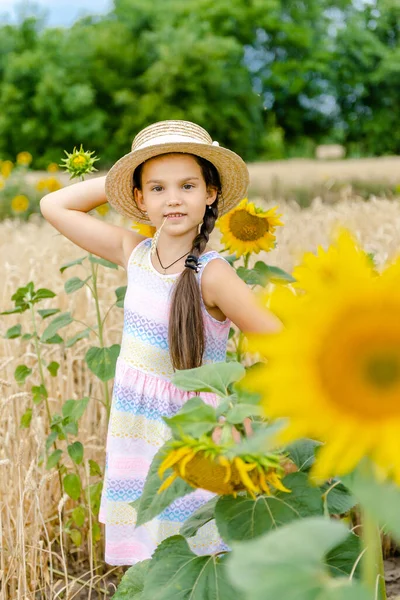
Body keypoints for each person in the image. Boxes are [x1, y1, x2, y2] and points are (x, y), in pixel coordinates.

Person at [40, 120, 282, 566]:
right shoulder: (133, 254)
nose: (172, 198)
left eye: (187, 185)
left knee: (198, 553)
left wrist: (251, 417)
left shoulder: (215, 274)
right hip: (137, 431)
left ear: (210, 194)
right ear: (139, 199)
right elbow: (54, 204)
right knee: (153, 559)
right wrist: (123, 176)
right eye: (156, 188)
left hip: (195, 437)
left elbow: (281, 343)